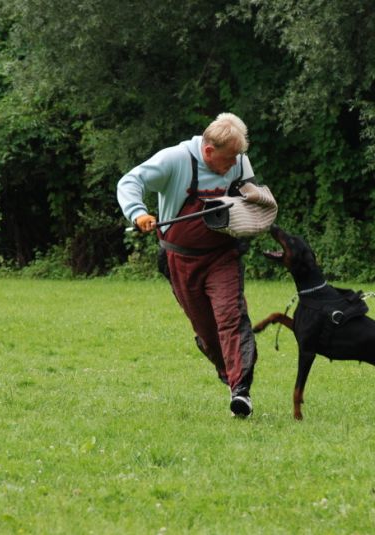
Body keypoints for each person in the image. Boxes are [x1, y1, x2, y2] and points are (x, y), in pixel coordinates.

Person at [117, 113, 261, 417]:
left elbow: (251, 195)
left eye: (237, 158)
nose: (233, 165)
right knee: (207, 332)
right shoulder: (175, 160)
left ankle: (241, 391)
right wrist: (138, 213)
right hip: (180, 260)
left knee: (232, 317)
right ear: (208, 151)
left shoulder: (239, 162)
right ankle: (228, 375)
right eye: (228, 159)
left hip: (223, 255)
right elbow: (130, 181)